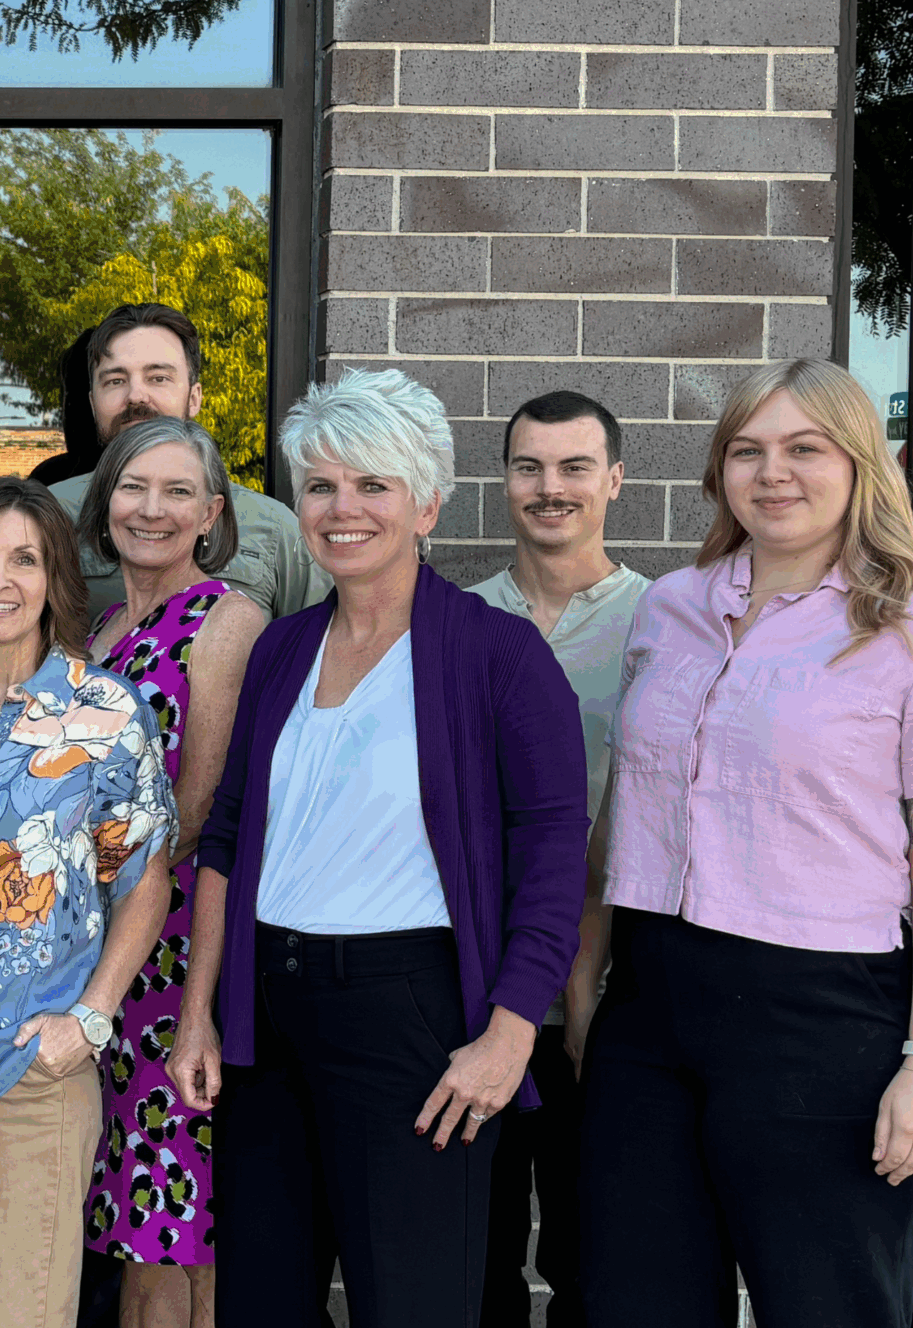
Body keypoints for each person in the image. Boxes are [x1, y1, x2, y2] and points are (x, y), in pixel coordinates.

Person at [569, 359, 913, 1328]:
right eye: (747, 450)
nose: (773, 472)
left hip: (824, 1020)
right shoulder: (670, 609)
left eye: (804, 448)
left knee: (827, 1308)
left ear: (860, 464)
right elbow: (624, 811)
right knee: (625, 1305)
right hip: (650, 1011)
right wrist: (583, 984)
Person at [168, 368, 587, 1328]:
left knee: (414, 1300)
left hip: (415, 1012)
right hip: (270, 1015)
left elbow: (556, 849)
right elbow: (228, 836)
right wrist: (202, 1014)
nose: (342, 508)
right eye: (320, 486)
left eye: (374, 485)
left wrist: (514, 1029)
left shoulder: (498, 655)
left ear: (428, 502)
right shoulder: (280, 649)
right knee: (262, 1303)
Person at [0, 476, 178, 1328]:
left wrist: (86, 1020)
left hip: (22, 1072)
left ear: (55, 579)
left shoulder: (106, 714)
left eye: (25, 558)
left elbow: (144, 881)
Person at [71, 418, 265, 1328]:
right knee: (130, 1211)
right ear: (104, 501)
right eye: (134, 487)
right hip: (104, 952)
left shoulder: (227, 619)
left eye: (178, 491)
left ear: (212, 513)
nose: (153, 509)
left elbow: (198, 809)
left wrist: (77, 878)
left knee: (175, 1213)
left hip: (181, 949)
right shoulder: (98, 627)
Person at [465, 390, 648, 1328]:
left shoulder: (662, 625)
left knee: (597, 1265)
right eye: (530, 467)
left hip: (606, 1001)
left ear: (615, 480)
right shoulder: (455, 623)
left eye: (576, 467)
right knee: (475, 1269)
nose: (552, 489)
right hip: (474, 997)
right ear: (503, 483)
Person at [48, 303, 323, 622]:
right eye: (115, 380)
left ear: (194, 397)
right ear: (93, 402)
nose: (136, 396)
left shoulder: (274, 529)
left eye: (158, 378)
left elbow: (317, 654)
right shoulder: (51, 516)